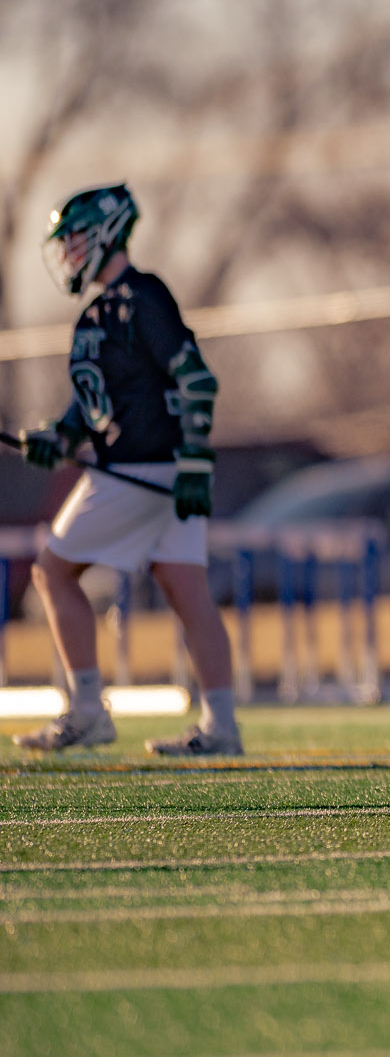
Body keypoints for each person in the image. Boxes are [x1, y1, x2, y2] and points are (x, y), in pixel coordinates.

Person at [12, 183, 241, 756]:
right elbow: (95, 404)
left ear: (109, 233)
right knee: (186, 589)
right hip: (150, 468)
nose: (67, 252)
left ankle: (88, 710)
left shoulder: (141, 297)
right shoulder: (97, 313)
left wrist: (193, 459)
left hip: (139, 470)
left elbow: (197, 381)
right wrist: (57, 437)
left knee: (52, 571)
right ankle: (222, 727)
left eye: (76, 238)